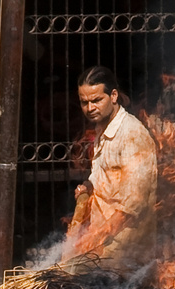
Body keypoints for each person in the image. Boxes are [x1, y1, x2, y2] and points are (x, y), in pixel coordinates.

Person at [63, 66, 159, 274]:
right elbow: (101, 176)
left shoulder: (132, 135)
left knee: (69, 274)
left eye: (97, 100)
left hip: (125, 245)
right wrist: (87, 187)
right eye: (84, 102)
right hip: (104, 239)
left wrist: (94, 240)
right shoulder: (102, 131)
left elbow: (133, 205)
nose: (90, 108)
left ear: (113, 95)